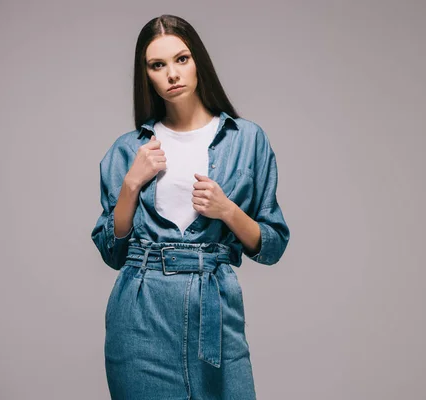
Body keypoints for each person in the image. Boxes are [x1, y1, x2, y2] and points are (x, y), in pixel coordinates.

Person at [91, 14, 290, 400]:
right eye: (157, 65)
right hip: (140, 315)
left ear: (199, 61)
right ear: (145, 74)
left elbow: (273, 245)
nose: (172, 74)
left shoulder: (247, 139)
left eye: (182, 59)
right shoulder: (128, 149)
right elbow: (111, 252)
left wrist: (228, 210)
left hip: (213, 309)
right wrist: (131, 185)